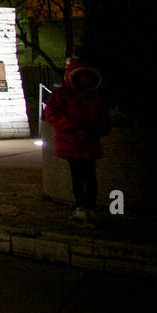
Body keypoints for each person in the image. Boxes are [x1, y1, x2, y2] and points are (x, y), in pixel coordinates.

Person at [43, 56, 111, 227]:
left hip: (89, 141)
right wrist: (75, 127)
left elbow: (104, 120)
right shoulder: (62, 94)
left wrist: (96, 129)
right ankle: (81, 207)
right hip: (71, 142)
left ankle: (90, 208)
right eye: (83, 75)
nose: (86, 79)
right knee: (78, 176)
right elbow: (52, 115)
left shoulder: (95, 97)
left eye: (89, 76)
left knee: (89, 176)